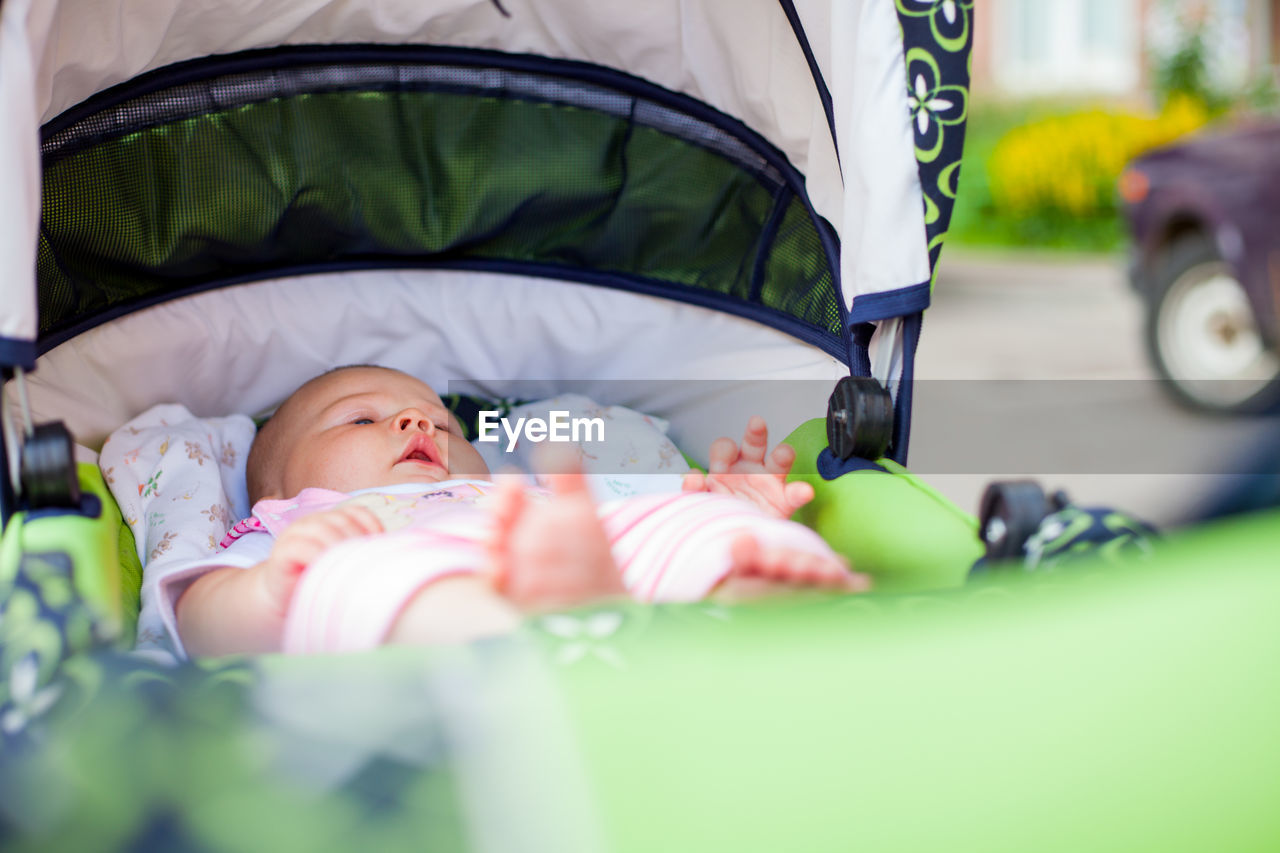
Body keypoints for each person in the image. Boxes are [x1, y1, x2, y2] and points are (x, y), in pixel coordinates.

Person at [171, 366, 867, 657]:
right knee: (357, 582)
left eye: (442, 422)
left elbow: (648, 515)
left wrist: (733, 501)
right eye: (360, 419)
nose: (419, 419)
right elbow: (199, 615)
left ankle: (769, 599)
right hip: (412, 566)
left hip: (575, 553)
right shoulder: (295, 526)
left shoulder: (532, 487)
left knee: (691, 528)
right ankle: (536, 641)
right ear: (276, 497)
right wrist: (269, 588)